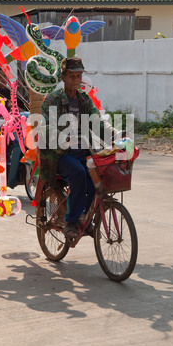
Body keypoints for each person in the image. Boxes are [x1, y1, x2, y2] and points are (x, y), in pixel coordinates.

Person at [39, 57, 116, 242]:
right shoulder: (53, 99)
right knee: (79, 173)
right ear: (63, 77)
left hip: (82, 150)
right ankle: (72, 221)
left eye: (79, 76)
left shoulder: (83, 99)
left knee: (96, 177)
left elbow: (97, 123)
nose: (76, 80)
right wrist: (61, 135)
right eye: (72, 76)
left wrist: (116, 135)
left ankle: (84, 216)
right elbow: (47, 126)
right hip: (58, 154)